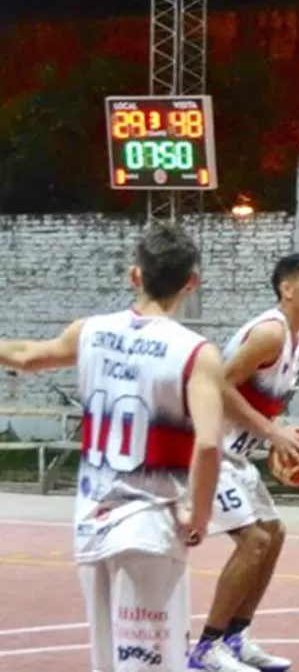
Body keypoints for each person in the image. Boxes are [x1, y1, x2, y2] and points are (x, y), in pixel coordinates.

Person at [0, 223, 225, 672]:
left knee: (107, 662)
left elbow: (26, 357)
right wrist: (198, 517)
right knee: (152, 663)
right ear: (191, 282)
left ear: (134, 275)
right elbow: (208, 444)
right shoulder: (195, 353)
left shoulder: (90, 332)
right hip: (150, 526)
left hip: (91, 522)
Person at [193, 253, 299, 672]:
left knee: (274, 531)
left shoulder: (295, 338)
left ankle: (235, 637)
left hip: (236, 453)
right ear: (288, 289)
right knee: (255, 541)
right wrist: (272, 433)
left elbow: (255, 400)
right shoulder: (270, 332)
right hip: (205, 445)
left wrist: (280, 433)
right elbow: (216, 383)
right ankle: (206, 649)